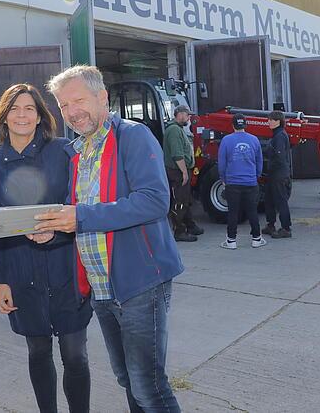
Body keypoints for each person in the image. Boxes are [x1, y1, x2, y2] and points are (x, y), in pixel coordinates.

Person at [34, 65, 184, 413]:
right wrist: (55, 227)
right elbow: (82, 212)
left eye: (78, 100)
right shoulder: (78, 151)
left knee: (149, 387)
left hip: (140, 282)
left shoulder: (133, 135)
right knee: (128, 380)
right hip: (102, 287)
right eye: (64, 105)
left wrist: (80, 217)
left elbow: (154, 200)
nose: (71, 112)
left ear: (101, 97)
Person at [0, 84, 93, 413]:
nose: (22, 115)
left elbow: (81, 206)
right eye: (14, 108)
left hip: (65, 266)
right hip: (21, 271)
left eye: (29, 108)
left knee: (74, 353)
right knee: (38, 351)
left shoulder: (65, 152)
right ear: (4, 116)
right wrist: (0, 281)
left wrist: (55, 233)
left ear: (41, 116)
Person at [217, 113, 266, 249]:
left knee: (233, 212)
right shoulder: (255, 140)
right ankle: (256, 238)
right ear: (245, 125)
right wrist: (255, 176)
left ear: (232, 125)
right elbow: (259, 162)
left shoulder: (226, 140)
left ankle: (231, 241)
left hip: (232, 182)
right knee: (252, 211)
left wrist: (223, 179)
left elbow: (221, 163)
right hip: (250, 182)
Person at [163, 104, 203, 242]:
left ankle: (190, 225)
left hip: (180, 170)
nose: (189, 118)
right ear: (179, 114)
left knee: (186, 199)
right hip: (177, 172)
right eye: (187, 115)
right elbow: (177, 154)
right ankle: (179, 231)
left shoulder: (178, 129)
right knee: (179, 201)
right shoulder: (174, 130)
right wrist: (184, 172)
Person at [263, 110, 293, 239]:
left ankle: (286, 229)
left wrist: (270, 166)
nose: (269, 121)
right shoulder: (276, 135)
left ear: (278, 122)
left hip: (279, 175)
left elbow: (279, 157)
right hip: (273, 174)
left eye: (271, 119)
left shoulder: (280, 136)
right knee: (268, 200)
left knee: (281, 202)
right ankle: (270, 225)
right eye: (269, 119)